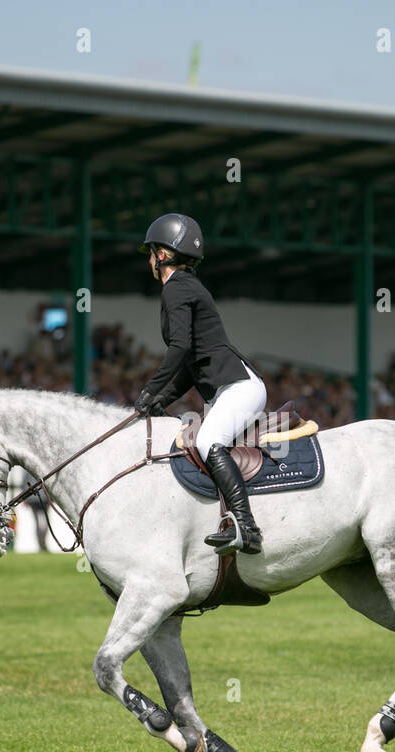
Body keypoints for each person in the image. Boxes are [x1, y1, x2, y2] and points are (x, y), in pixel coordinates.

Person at [134, 213, 267, 555]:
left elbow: (179, 349)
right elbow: (191, 366)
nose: (150, 259)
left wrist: (150, 389)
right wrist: (161, 398)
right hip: (232, 387)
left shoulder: (176, 287)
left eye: (152, 252)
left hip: (240, 387)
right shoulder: (186, 286)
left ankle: (246, 527)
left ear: (162, 255)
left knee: (208, 441)